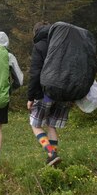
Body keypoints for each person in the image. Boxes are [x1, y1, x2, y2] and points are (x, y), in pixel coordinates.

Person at [27, 22, 70, 166]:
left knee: (35, 124)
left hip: (45, 92)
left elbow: (35, 73)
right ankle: (53, 156)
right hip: (62, 92)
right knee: (52, 125)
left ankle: (51, 153)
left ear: (36, 32)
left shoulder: (39, 46)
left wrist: (30, 97)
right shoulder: (61, 44)